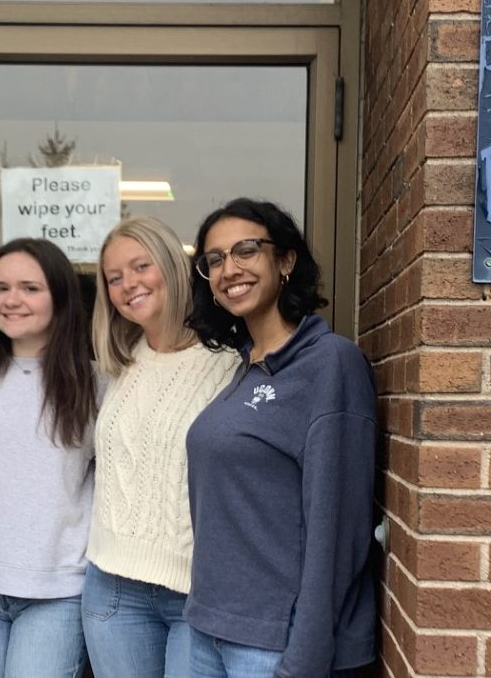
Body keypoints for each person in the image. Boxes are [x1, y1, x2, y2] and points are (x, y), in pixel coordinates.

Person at [183, 198, 376, 678]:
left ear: (285, 260)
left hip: (272, 643)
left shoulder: (330, 363)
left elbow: (338, 525)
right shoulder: (244, 367)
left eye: (246, 250)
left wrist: (306, 659)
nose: (230, 269)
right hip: (206, 628)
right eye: (215, 259)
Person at [83, 217, 241, 678]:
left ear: (172, 265)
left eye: (140, 266)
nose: (129, 284)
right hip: (111, 586)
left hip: (197, 592)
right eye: (115, 278)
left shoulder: (231, 365)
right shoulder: (117, 366)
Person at [0, 238, 99, 678]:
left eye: (30, 288)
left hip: (57, 588)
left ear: (60, 296)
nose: (12, 300)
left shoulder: (95, 384)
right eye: (1, 287)